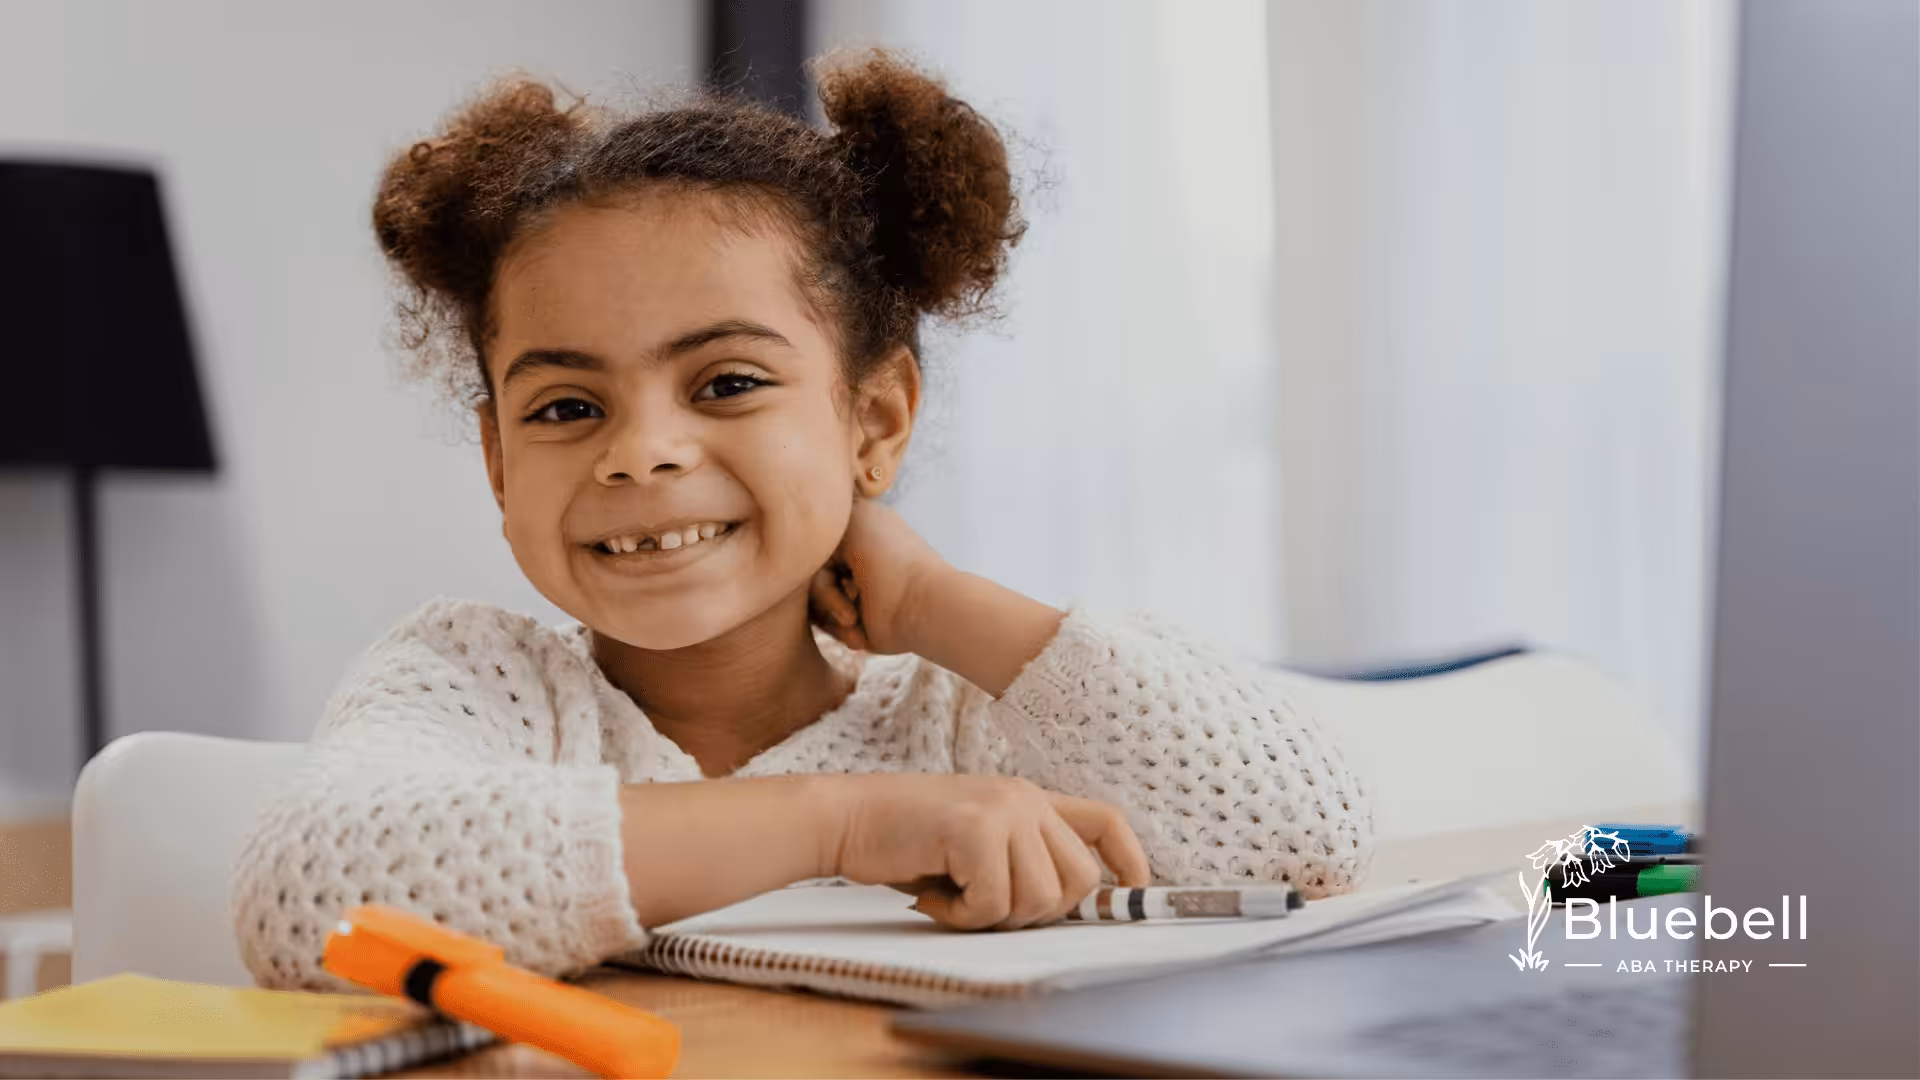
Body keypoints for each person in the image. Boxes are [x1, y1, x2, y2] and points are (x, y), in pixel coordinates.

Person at [232, 48, 1374, 991]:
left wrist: (936, 603)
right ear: (496, 458)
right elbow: (313, 902)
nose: (640, 454)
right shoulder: (478, 683)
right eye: (568, 406)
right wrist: (841, 826)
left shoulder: (959, 725)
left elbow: (1303, 837)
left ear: (874, 420)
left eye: (726, 384)